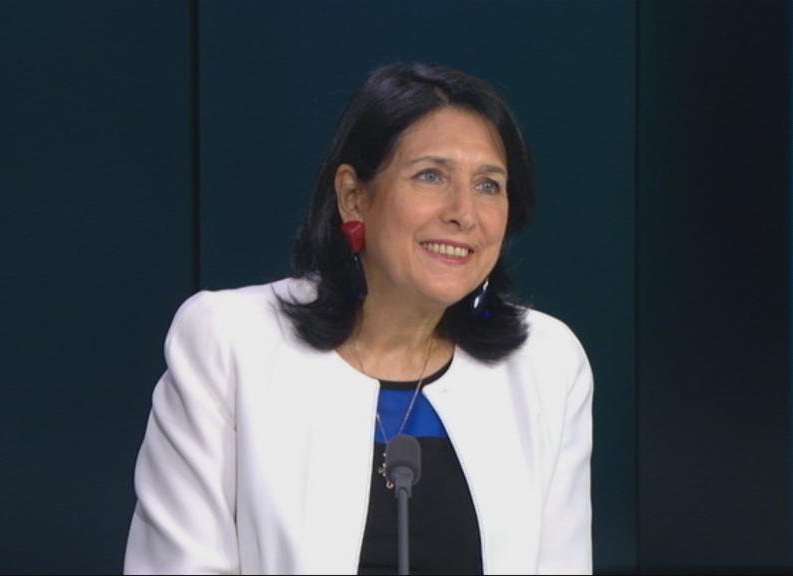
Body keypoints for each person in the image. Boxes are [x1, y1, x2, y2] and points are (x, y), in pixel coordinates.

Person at [124, 63, 593, 575]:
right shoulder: (229, 343)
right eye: (431, 176)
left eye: (488, 185)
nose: (464, 213)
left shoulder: (547, 363)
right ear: (353, 197)